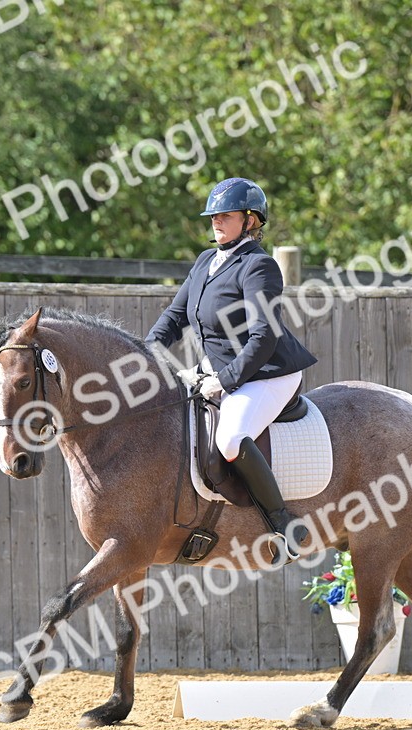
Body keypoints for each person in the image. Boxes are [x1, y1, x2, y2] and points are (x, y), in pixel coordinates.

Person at [145, 177, 317, 564]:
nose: (216, 221)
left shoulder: (259, 266)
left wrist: (223, 381)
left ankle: (285, 527)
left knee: (230, 440)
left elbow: (263, 336)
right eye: (213, 216)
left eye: (225, 215)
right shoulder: (207, 261)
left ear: (251, 220)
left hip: (267, 371)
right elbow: (175, 316)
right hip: (219, 366)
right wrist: (147, 350)